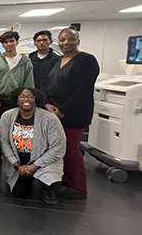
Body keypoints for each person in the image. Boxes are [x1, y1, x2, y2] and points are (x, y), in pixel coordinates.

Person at [45, 27, 99, 199]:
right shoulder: (57, 61)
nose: (66, 43)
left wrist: (62, 110)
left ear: (78, 41)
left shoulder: (87, 60)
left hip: (73, 112)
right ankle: (65, 181)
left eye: (71, 39)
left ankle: (78, 188)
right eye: (62, 40)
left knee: (71, 149)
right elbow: (47, 84)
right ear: (57, 42)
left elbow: (83, 90)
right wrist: (46, 104)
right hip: (53, 109)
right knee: (58, 148)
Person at [0, 87, 66, 205]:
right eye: (22, 96)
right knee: (19, 192)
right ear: (17, 100)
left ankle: (48, 189)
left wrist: (34, 166)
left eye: (31, 97)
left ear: (36, 100)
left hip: (43, 162)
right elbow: (5, 144)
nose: (27, 99)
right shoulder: (7, 116)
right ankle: (27, 177)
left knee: (51, 183)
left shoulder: (50, 119)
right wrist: (16, 165)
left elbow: (58, 148)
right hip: (19, 163)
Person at [0, 30, 34, 158]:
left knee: (15, 128)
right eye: (6, 42)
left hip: (17, 100)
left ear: (16, 42)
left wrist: (25, 100)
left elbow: (29, 83)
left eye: (11, 41)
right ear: (2, 45)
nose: (9, 44)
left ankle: (15, 153)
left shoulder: (25, 61)